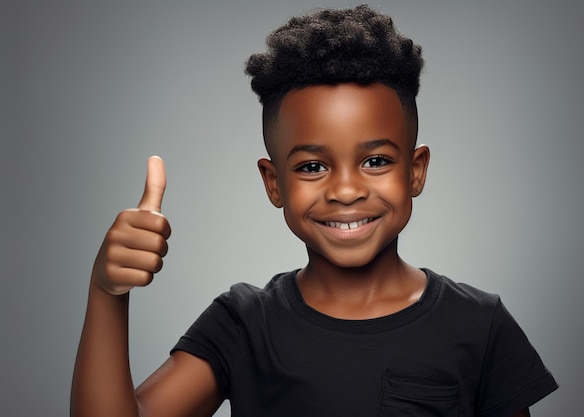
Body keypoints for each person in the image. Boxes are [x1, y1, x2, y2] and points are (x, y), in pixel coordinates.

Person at [71, 4, 558, 417]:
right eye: (311, 166)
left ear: (416, 170)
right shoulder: (243, 324)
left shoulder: (478, 324)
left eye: (375, 161)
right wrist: (106, 292)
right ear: (273, 182)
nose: (345, 191)